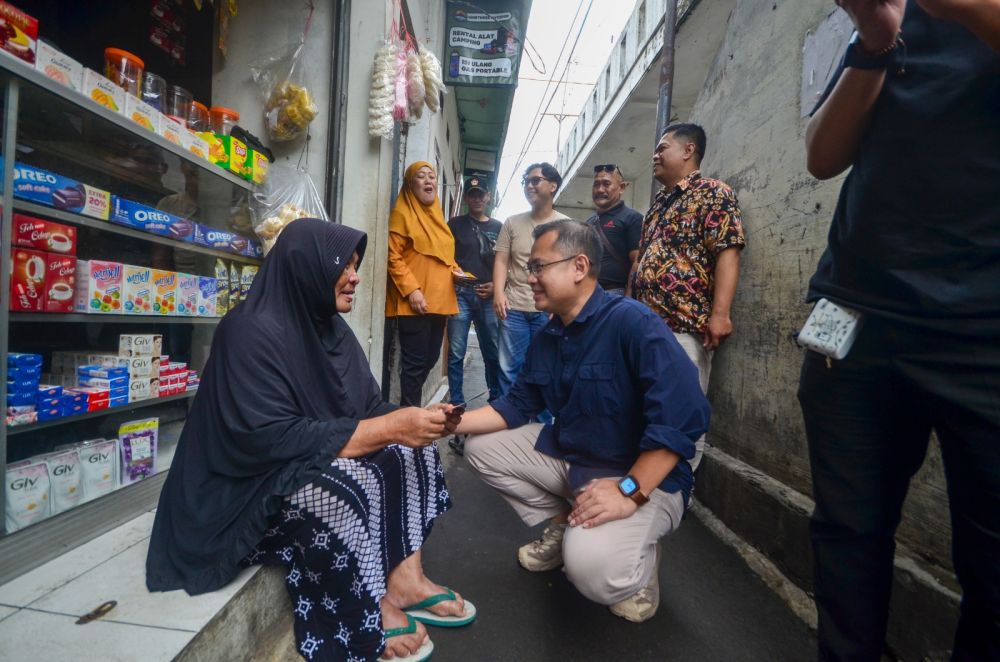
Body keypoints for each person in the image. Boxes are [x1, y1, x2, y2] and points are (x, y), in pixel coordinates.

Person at [146, 220, 476, 662]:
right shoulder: (248, 331)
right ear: (307, 268)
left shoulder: (330, 329)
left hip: (294, 461)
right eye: (345, 265)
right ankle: (362, 608)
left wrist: (419, 421)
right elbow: (267, 440)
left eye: (356, 266)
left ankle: (405, 579)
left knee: (408, 452)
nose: (356, 276)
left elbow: (368, 408)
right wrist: (391, 427)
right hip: (242, 489)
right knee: (340, 487)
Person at [801, 2, 1000, 659]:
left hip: (983, 333)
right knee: (848, 534)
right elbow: (823, 156)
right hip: (856, 319)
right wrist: (876, 41)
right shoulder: (895, 15)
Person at [455, 219, 710, 623]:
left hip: (644, 478)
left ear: (579, 267)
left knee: (593, 572)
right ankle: (566, 524)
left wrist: (628, 490)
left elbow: (685, 417)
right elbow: (516, 405)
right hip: (579, 460)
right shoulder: (550, 337)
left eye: (538, 266)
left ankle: (640, 566)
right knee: (480, 447)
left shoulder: (632, 323)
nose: (529, 277)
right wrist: (448, 422)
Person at [629, 123, 745, 471]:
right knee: (644, 411)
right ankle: (641, 483)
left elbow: (728, 252)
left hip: (683, 328)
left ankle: (677, 491)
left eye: (663, 147)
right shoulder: (659, 204)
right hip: (645, 328)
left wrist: (720, 313)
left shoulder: (714, 194)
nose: (655, 154)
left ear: (688, 150)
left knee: (682, 412)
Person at [386, 162, 460, 407]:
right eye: (421, 176)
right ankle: (408, 423)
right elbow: (393, 255)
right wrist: (412, 290)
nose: (429, 181)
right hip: (416, 303)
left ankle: (409, 415)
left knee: (430, 360)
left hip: (440, 302)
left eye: (432, 176)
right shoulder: (402, 213)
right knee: (415, 365)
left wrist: (456, 270)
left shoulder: (438, 218)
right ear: (410, 184)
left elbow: (441, 256)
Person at [493, 163, 570, 395]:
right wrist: (498, 293)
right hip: (513, 307)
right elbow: (501, 261)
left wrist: (561, 306)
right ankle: (508, 423)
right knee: (509, 370)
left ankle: (542, 426)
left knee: (545, 369)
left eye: (535, 180)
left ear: (553, 186)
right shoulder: (512, 222)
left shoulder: (566, 225)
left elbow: (567, 269)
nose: (529, 186)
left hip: (548, 311)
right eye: (526, 181)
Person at [584, 164, 643, 295]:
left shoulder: (632, 218)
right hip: (586, 294)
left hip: (615, 294)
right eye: (596, 184)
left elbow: (637, 262)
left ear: (621, 188)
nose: (600, 189)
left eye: (606, 184)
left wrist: (629, 296)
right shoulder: (589, 222)